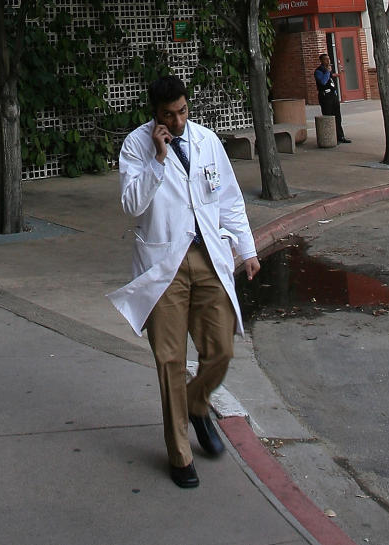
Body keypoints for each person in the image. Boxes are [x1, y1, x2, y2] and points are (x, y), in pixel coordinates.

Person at [108, 75, 260, 490]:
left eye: (182, 112)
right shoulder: (136, 147)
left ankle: (198, 403)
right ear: (154, 116)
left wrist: (247, 250)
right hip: (163, 264)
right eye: (168, 116)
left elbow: (228, 199)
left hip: (209, 256)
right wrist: (158, 159)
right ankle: (180, 453)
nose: (177, 122)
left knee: (222, 348)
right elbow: (130, 204)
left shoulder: (208, 141)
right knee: (170, 361)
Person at [314, 52, 351, 143]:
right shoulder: (318, 71)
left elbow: (331, 77)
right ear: (321, 61)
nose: (328, 61)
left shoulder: (328, 70)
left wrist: (337, 74)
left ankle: (340, 136)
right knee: (329, 116)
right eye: (326, 59)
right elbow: (323, 81)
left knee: (337, 116)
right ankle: (331, 137)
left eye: (329, 59)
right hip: (325, 96)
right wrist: (327, 71)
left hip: (333, 95)